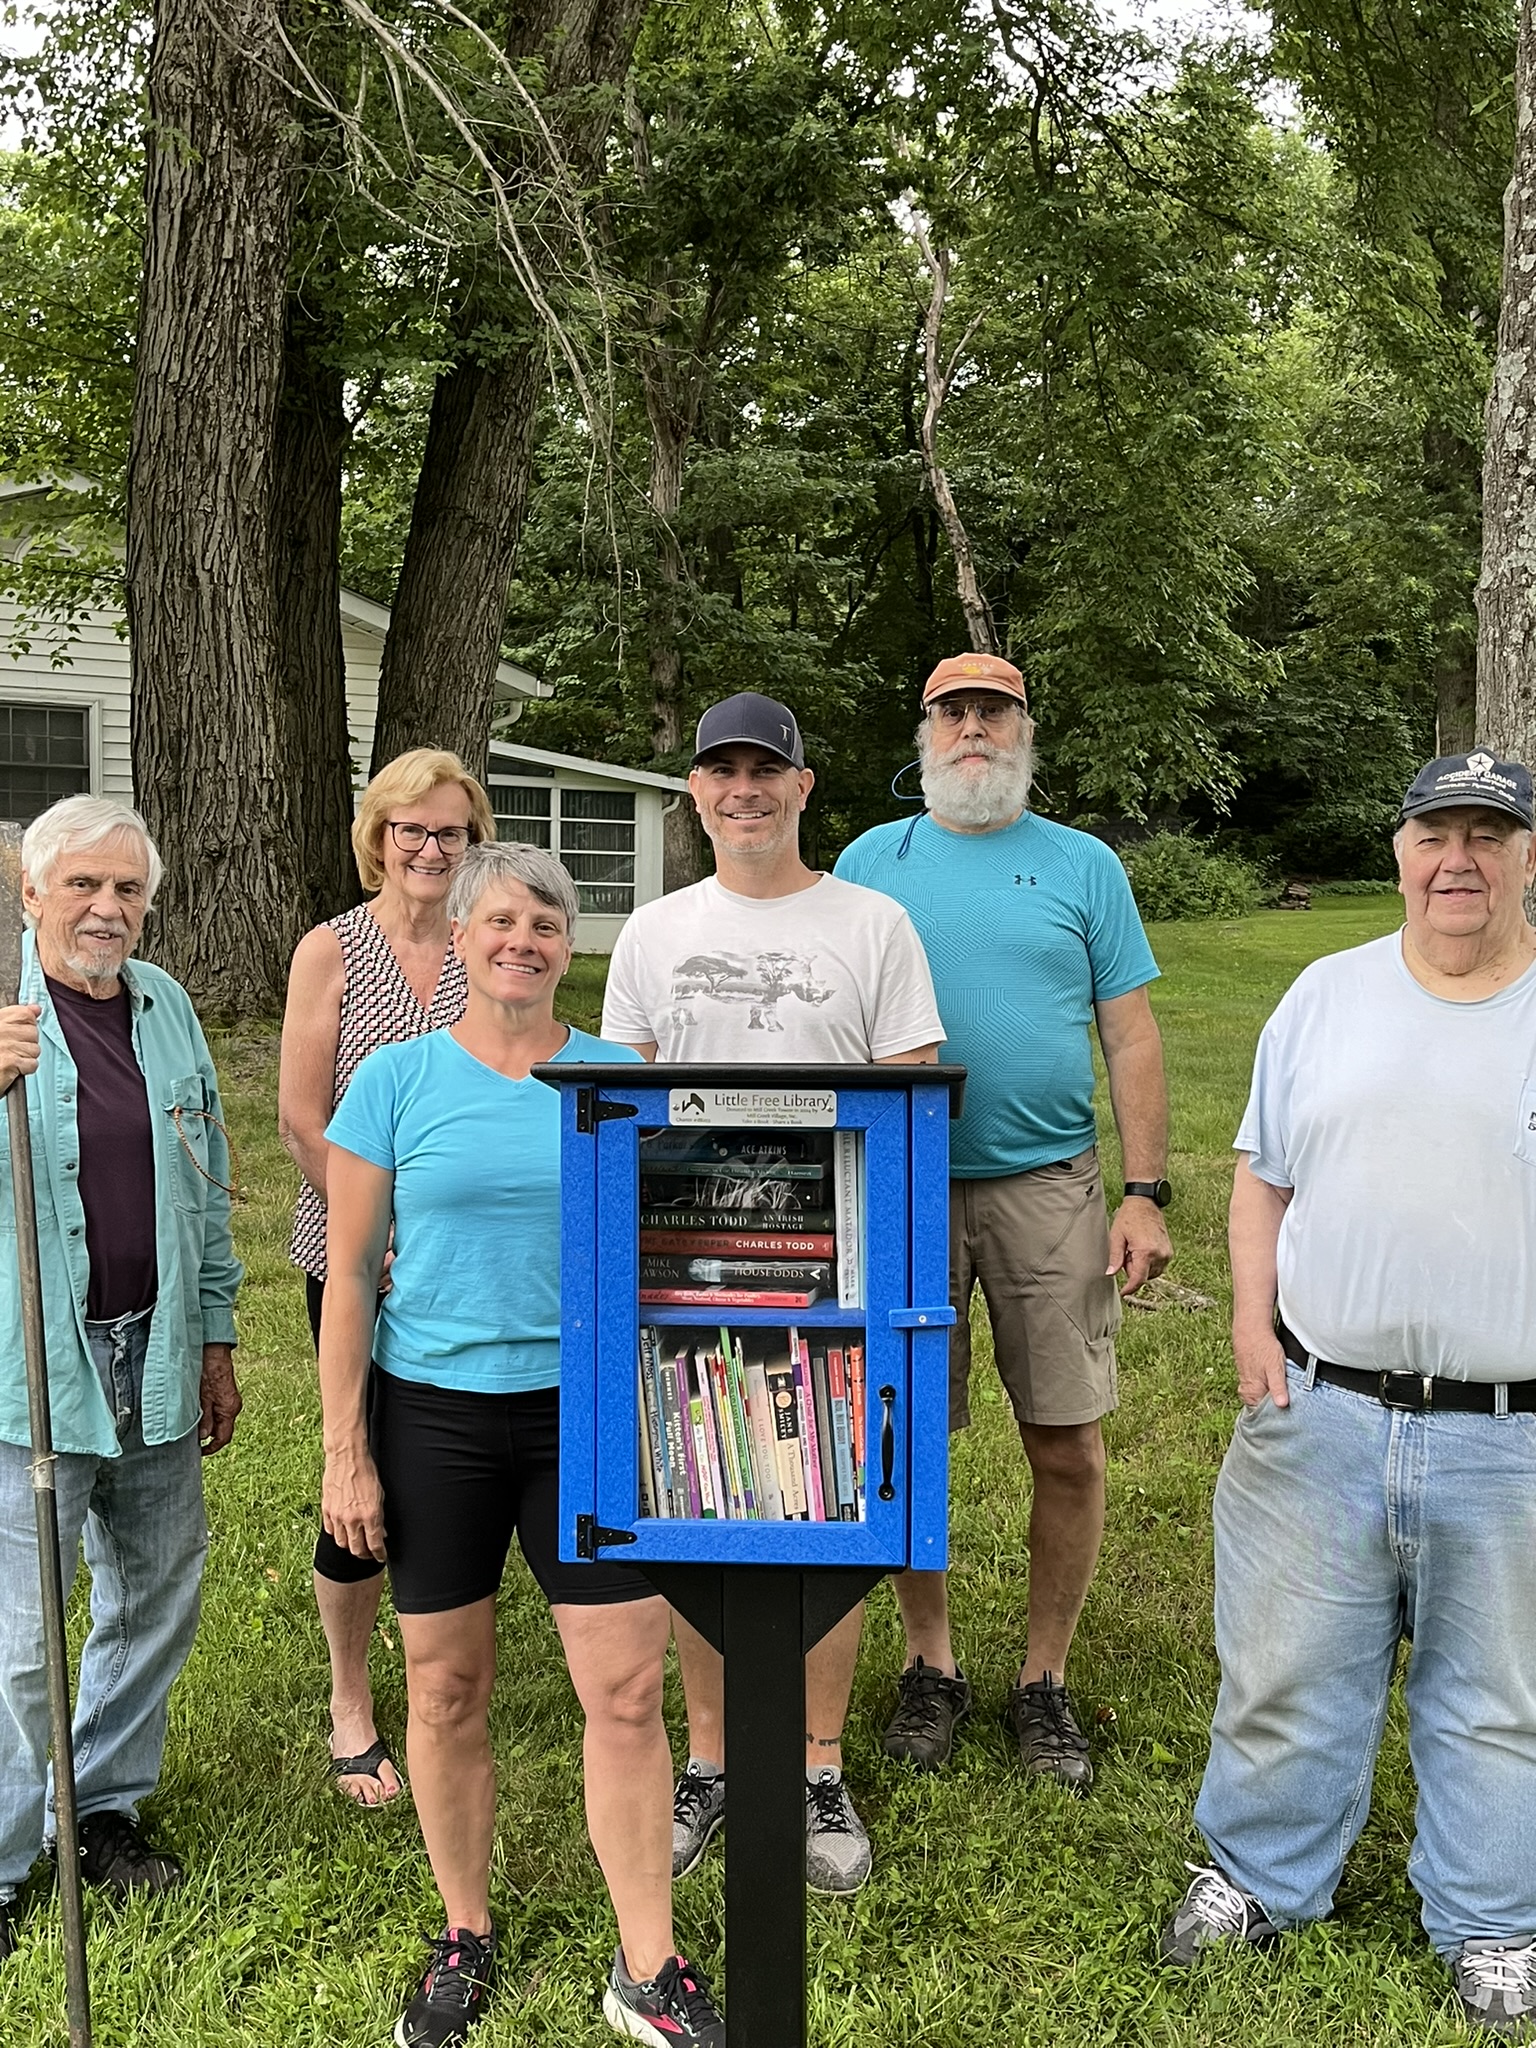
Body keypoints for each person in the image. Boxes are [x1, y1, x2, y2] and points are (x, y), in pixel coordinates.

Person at [1157, 750, 1536, 2040]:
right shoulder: (1326, 994)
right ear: (1400, 852)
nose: (1459, 860)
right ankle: (1259, 1875)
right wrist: (1249, 1319)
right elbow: (1262, 1176)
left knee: (1501, 1688)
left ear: (1527, 858)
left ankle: (1493, 1918)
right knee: (1284, 1664)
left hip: (1512, 1427)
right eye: (1437, 834)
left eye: (1489, 834)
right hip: (1321, 1406)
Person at [321, 840, 723, 2048]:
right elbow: (350, 1273)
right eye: (499, 920)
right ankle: (464, 1932)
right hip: (433, 1413)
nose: (522, 941)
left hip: (586, 1413)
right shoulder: (393, 1080)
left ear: (568, 945)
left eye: (545, 923)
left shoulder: (618, 1078)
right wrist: (346, 1447)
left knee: (627, 1689)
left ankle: (648, 1963)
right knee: (445, 1688)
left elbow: (675, 1253)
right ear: (459, 935)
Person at [601, 691, 944, 1895]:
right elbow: (624, 1100)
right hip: (685, 1262)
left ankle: (814, 1765)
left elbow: (913, 1088)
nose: (743, 790)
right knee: (699, 1495)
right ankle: (708, 1761)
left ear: (803, 787)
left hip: (836, 1270)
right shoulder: (653, 932)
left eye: (765, 771)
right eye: (721, 771)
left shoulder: (874, 922)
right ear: (695, 791)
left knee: (829, 1504)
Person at [836, 652, 1171, 1784]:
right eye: (953, 713)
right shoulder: (870, 863)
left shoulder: (1084, 865)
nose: (973, 729)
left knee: (1066, 1437)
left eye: (994, 712)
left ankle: (1044, 1679)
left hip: (1049, 1184)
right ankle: (928, 1662)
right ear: (925, 733)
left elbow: (1130, 1032)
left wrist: (1145, 1190)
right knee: (902, 1431)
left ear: (1024, 730)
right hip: (901, 1181)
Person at [0, 795, 242, 1962]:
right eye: (83, 885)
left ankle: (95, 1804)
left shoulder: (165, 1004)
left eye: (127, 888)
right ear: (30, 892)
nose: (107, 908)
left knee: (154, 1594)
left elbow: (210, 1174)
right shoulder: (2, 1014)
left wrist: (217, 1336)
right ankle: (6, 1853)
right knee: (23, 1635)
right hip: (31, 1369)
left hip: (156, 1346)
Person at [279, 748, 491, 1806]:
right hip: (358, 1257)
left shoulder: (485, 940)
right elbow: (300, 1115)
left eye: (450, 831)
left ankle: (444, 1661)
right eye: (412, 829)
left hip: (468, 1263)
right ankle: (351, 1698)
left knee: (440, 1461)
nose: (431, 848)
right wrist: (383, 1228)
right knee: (357, 1467)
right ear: (379, 836)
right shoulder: (333, 948)